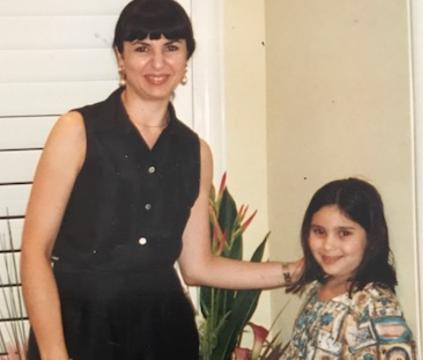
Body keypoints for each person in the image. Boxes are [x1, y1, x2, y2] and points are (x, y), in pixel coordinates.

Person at [20, 1, 302, 359]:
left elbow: (199, 266)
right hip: (80, 330)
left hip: (163, 334)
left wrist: (295, 272)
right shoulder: (76, 131)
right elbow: (35, 253)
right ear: (120, 58)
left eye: (171, 48)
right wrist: (54, 354)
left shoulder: (195, 152)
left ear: (186, 59)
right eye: (142, 48)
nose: (158, 63)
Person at [282, 178, 416, 359]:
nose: (328, 245)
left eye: (344, 233)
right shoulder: (322, 285)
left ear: (371, 237)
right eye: (319, 232)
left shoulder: (376, 305)